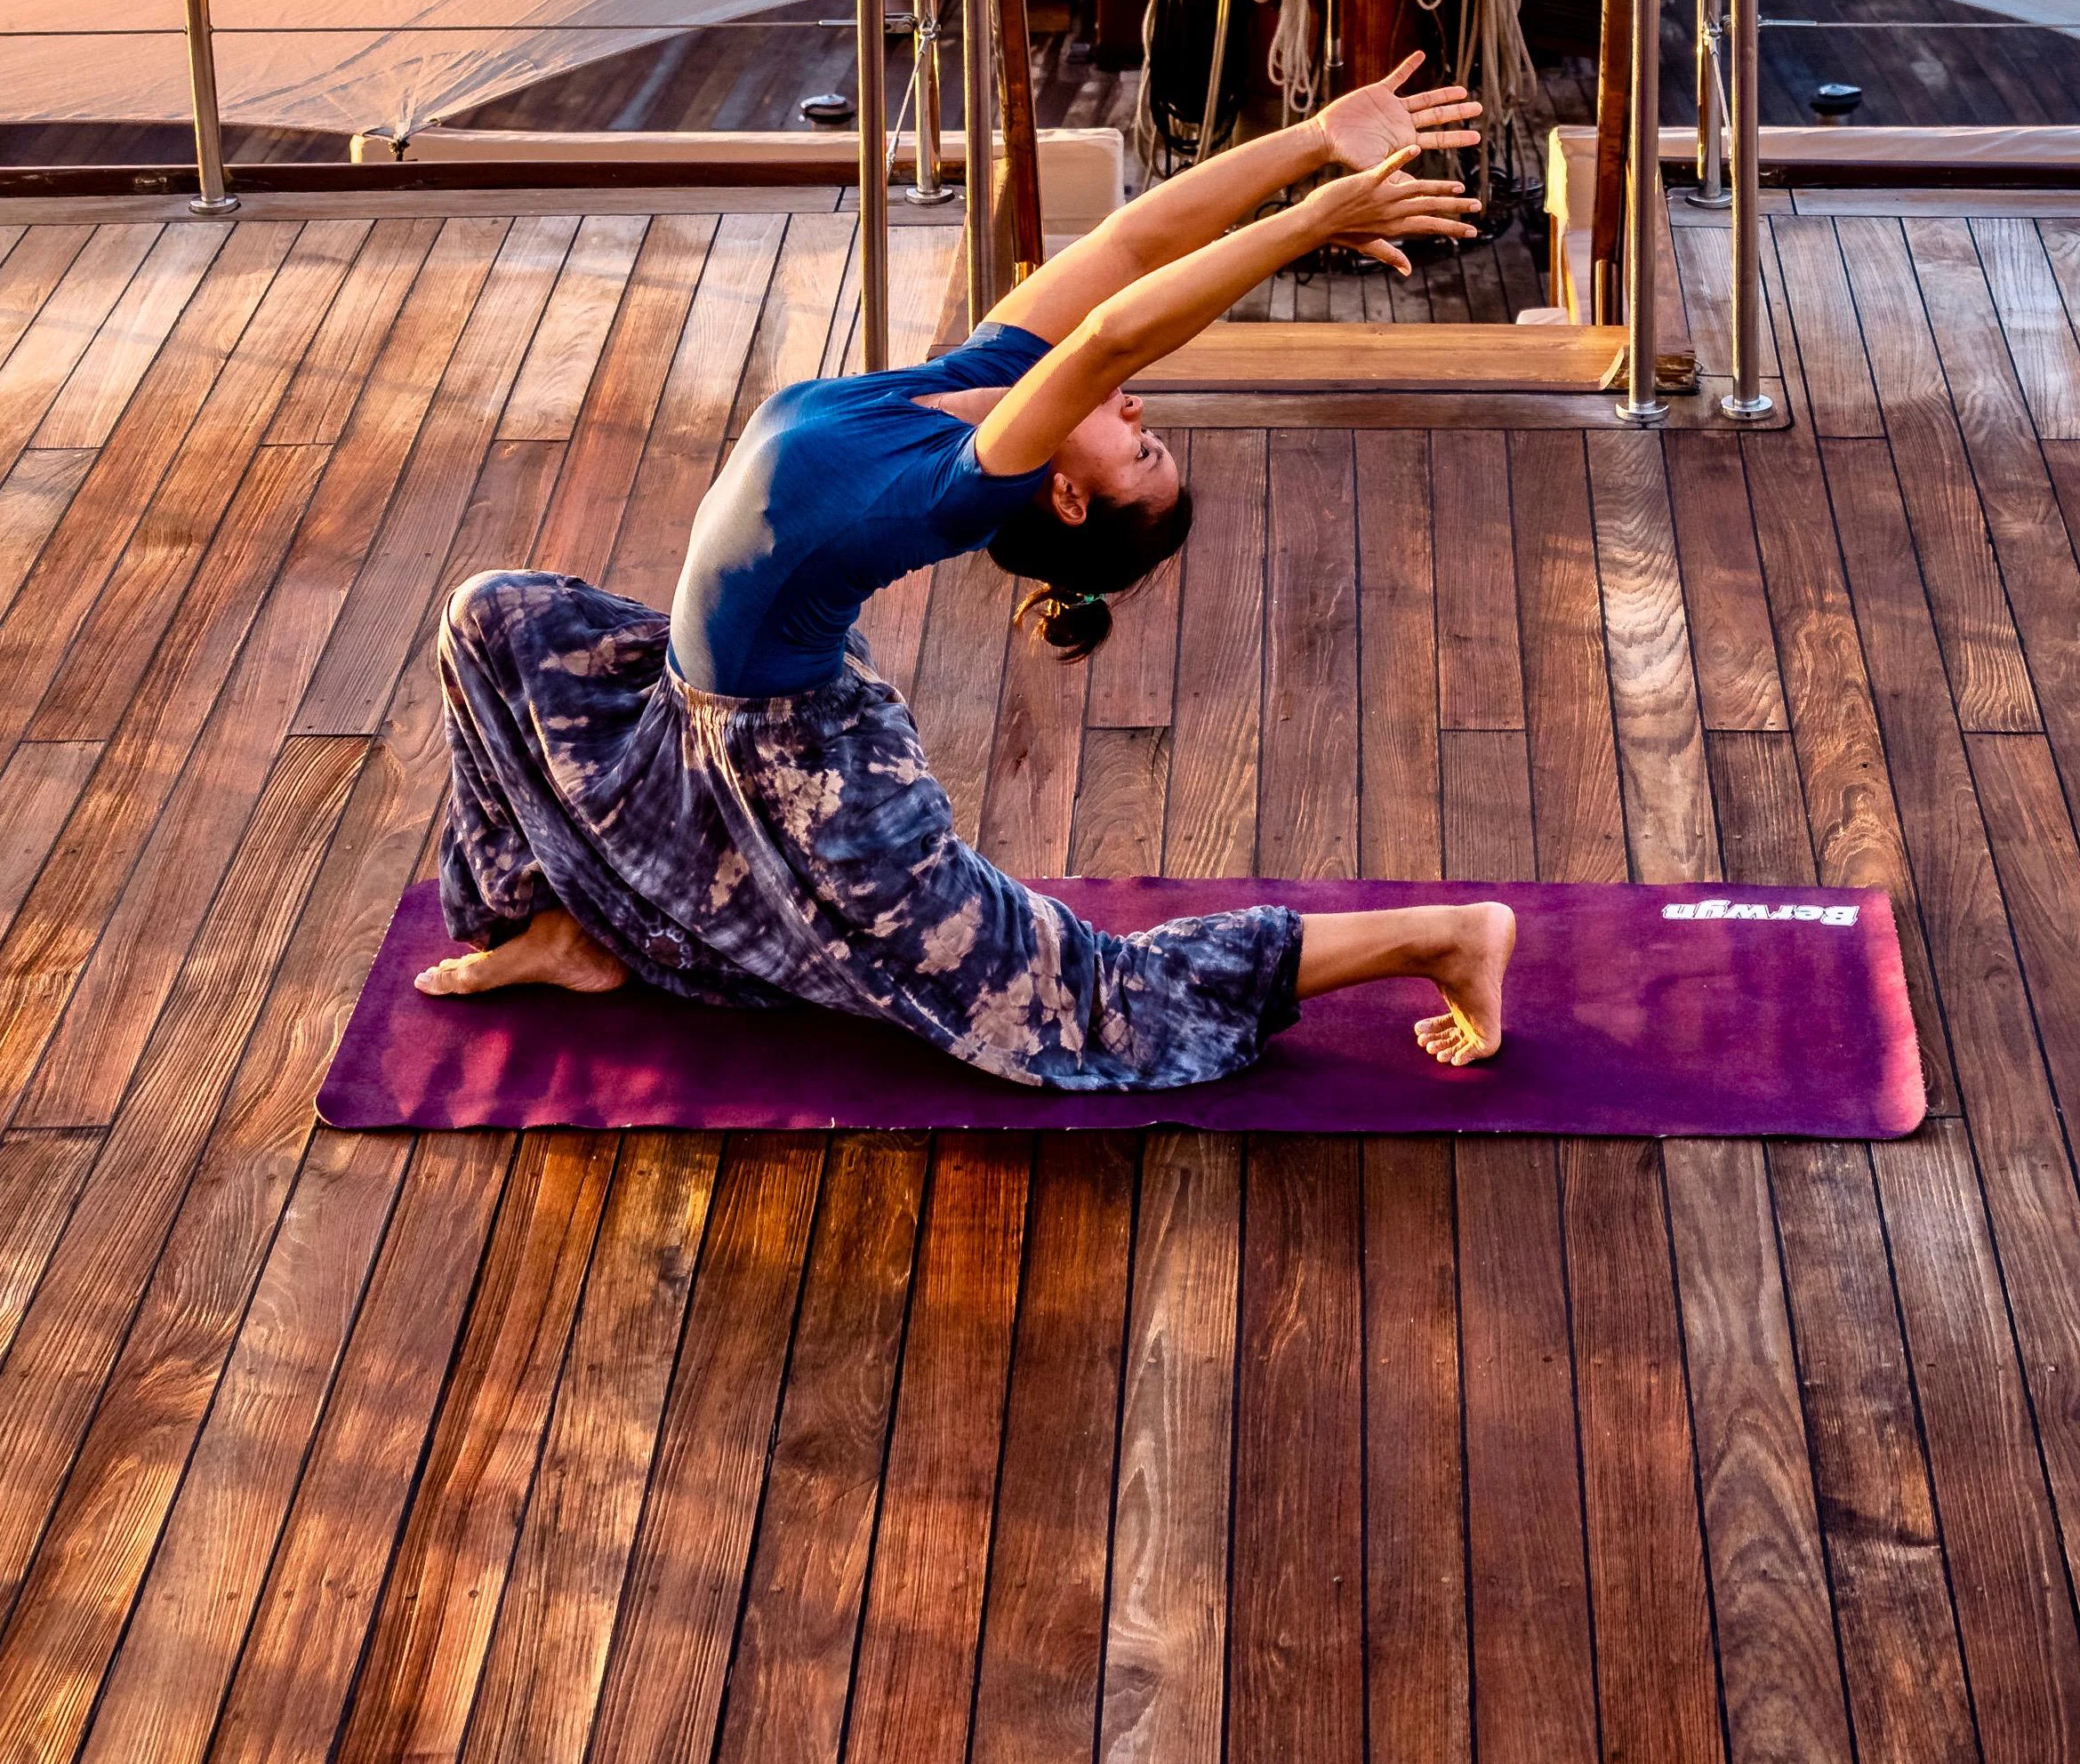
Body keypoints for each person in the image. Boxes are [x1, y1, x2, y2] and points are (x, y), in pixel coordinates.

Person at [417, 57, 1520, 1086]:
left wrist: (1311, 224)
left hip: (817, 795)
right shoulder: (980, 377)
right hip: (683, 713)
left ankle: (1443, 935)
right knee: (493, 618)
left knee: (1092, 1004)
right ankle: (555, 928)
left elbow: (1110, 338)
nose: (1137, 408)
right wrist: (1310, 141)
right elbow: (1130, 249)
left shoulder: (969, 476)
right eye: (1149, 427)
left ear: (1068, 495)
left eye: (1139, 447)